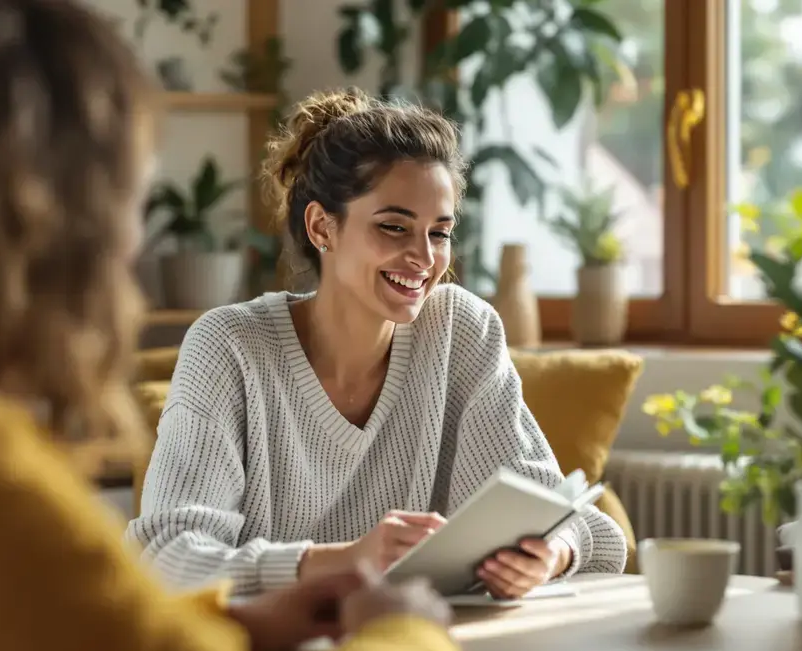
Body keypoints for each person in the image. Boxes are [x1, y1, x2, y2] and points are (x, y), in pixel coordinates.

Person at [0, 0, 460, 651]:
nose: (133, 242)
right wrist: (406, 636)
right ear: (48, 218)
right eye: (126, 198)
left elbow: (55, 634)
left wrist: (232, 622)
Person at [126, 88, 628, 600]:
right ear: (323, 226)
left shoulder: (461, 331)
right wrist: (344, 561)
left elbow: (589, 529)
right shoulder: (230, 347)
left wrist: (551, 555)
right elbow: (166, 559)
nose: (424, 257)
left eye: (439, 233)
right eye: (394, 227)